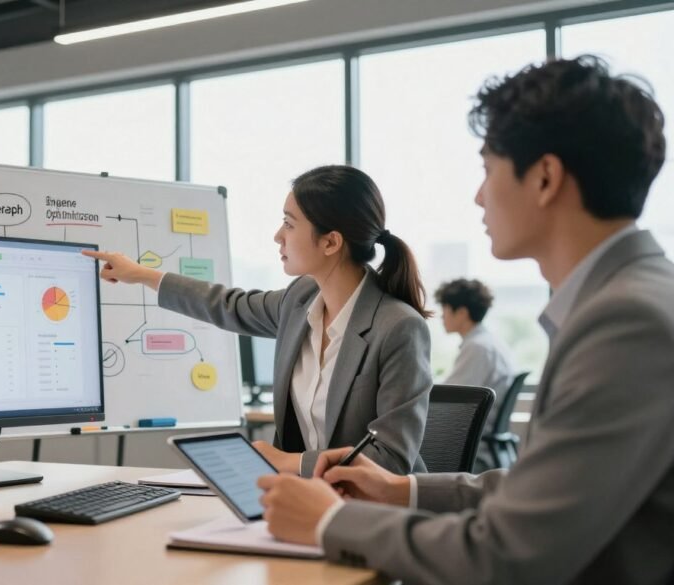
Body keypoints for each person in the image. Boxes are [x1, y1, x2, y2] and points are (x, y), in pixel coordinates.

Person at [257, 56, 673, 584]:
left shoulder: (626, 322)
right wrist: (400, 490)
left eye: (487, 170)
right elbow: (545, 492)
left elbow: (510, 554)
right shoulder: (635, 299)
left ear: (545, 177)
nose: (479, 196)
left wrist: (331, 522)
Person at [84, 164, 433, 475]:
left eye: (289, 223)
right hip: (304, 500)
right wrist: (143, 275)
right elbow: (228, 305)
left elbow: (390, 459)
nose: (278, 236)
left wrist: (289, 462)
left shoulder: (398, 328)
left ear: (330, 242)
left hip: (375, 514)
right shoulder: (299, 301)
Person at [435, 278, 516, 470]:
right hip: (488, 446)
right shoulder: (489, 343)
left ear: (462, 313)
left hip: (475, 450)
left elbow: (449, 404)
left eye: (444, 309)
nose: (441, 317)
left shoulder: (478, 348)